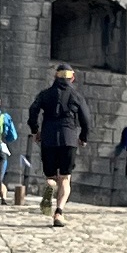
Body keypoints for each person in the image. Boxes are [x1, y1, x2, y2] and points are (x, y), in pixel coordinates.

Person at [28, 64, 91, 228]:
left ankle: (49, 189)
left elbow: (33, 110)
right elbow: (86, 120)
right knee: (65, 178)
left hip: (48, 138)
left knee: (50, 177)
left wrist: (35, 130)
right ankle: (59, 213)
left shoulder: (45, 94)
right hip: (69, 140)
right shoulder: (76, 96)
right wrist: (83, 137)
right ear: (72, 78)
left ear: (55, 77)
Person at [0, 103, 18, 204]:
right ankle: (3, 198)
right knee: (0, 178)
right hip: (1, 148)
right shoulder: (5, 118)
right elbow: (13, 136)